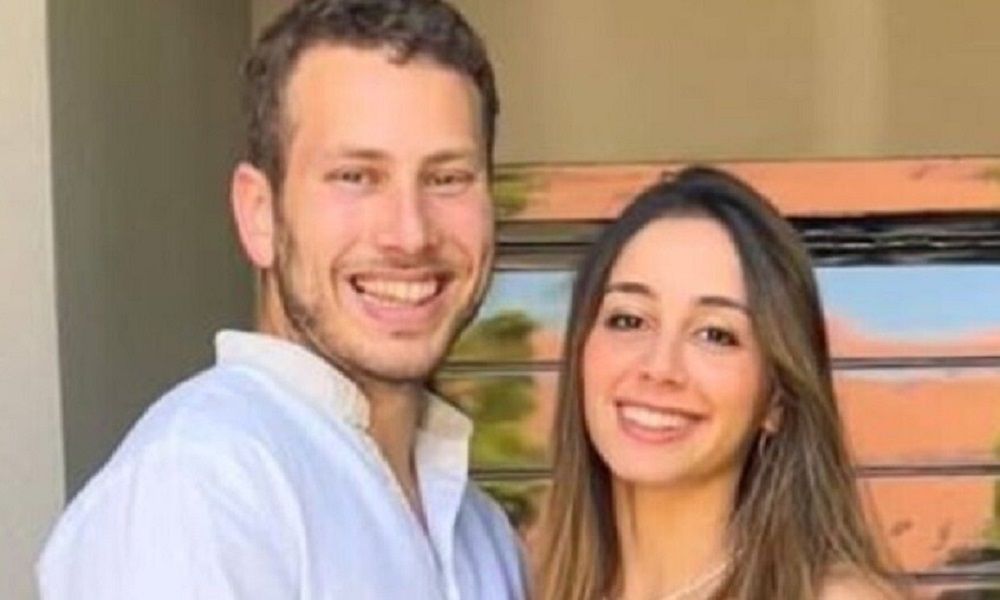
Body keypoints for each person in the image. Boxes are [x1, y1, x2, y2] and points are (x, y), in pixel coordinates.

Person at [37, 1, 526, 598]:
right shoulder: (201, 484)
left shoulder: (482, 534)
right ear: (259, 214)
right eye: (355, 176)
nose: (410, 234)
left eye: (447, 178)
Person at [536, 167, 901, 600]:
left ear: (776, 399)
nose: (659, 367)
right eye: (629, 320)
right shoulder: (539, 585)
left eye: (715, 334)